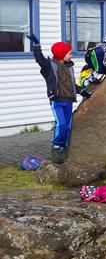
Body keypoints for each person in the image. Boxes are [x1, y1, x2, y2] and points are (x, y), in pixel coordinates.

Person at [28, 33, 76, 163]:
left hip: (68, 100)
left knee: (67, 126)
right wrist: (36, 46)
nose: (72, 55)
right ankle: (56, 147)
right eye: (70, 53)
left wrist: (83, 91)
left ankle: (63, 148)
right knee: (60, 124)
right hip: (57, 101)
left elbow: (72, 84)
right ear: (61, 54)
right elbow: (40, 59)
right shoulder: (50, 66)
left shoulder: (69, 67)